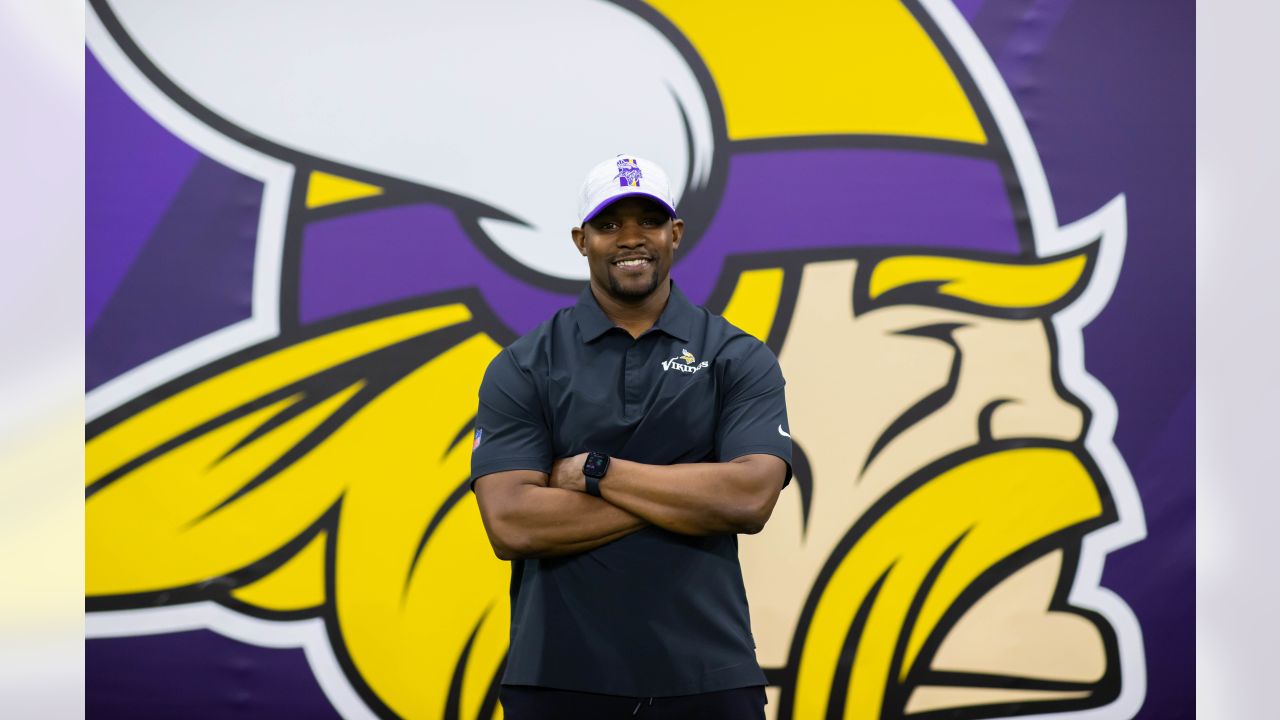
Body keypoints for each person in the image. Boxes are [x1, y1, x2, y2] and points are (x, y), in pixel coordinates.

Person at [470, 154, 792, 719]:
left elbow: (748, 497)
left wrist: (596, 472)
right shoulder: (524, 365)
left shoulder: (737, 356)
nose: (631, 238)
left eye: (649, 220)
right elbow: (512, 523)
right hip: (557, 676)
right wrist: (690, 495)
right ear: (581, 239)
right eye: (609, 224)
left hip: (708, 673)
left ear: (676, 233)